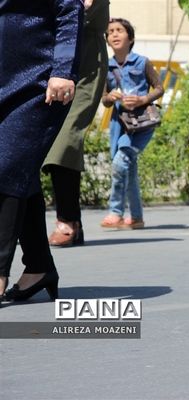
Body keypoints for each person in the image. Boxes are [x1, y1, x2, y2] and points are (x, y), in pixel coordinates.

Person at [0, 0, 83, 304]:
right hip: (4, 79)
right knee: (19, 170)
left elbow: (69, 10)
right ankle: (39, 267)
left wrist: (63, 69)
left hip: (39, 81)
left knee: (6, 167)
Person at [43, 0, 110, 247]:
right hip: (43, 59)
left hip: (85, 65)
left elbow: (83, 8)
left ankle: (68, 220)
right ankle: (16, 226)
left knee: (64, 140)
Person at [99, 18, 164, 229]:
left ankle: (115, 212)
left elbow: (159, 88)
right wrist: (112, 97)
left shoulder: (142, 62)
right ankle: (136, 217)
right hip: (120, 124)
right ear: (107, 40)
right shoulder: (106, 67)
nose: (115, 34)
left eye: (119, 30)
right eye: (110, 32)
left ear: (131, 37)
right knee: (129, 168)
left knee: (120, 164)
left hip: (142, 124)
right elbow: (104, 99)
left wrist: (142, 99)